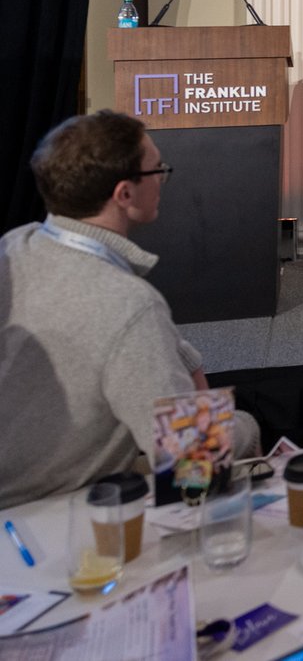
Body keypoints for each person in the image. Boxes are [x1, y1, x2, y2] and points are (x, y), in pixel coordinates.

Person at [0, 111, 257, 508]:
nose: (163, 179)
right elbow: (193, 462)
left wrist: (173, 348)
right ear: (124, 194)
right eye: (158, 170)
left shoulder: (14, 246)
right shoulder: (127, 303)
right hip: (44, 517)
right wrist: (246, 426)